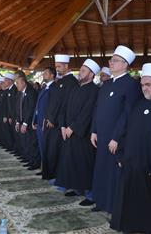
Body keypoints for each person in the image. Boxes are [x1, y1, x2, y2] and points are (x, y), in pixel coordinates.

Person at [110, 63, 151, 234]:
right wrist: (121, 156)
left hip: (150, 167)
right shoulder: (138, 104)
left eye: (148, 85)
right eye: (142, 84)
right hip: (130, 164)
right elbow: (127, 132)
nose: (144, 88)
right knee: (129, 200)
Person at [90, 45, 143, 213]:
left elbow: (128, 114)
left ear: (125, 64)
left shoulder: (131, 85)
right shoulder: (106, 84)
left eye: (115, 61)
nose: (111, 63)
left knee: (114, 173)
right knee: (101, 170)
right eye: (111, 60)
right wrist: (94, 130)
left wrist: (117, 138)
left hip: (115, 138)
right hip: (101, 135)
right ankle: (101, 201)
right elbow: (97, 109)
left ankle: (113, 205)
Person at [55, 59, 100, 206]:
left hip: (83, 135)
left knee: (84, 164)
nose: (80, 73)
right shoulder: (75, 88)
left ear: (92, 74)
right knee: (72, 163)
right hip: (67, 132)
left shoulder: (94, 90)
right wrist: (62, 126)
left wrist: (72, 128)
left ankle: (90, 194)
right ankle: (77, 188)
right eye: (80, 70)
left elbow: (87, 113)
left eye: (83, 71)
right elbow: (63, 108)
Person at [42, 54, 78, 183]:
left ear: (67, 66)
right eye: (56, 66)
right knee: (50, 150)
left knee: (56, 151)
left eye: (59, 66)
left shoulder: (72, 82)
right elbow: (53, 102)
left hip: (58, 124)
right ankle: (51, 175)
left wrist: (54, 119)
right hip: (52, 121)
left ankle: (57, 176)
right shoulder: (60, 81)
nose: (57, 69)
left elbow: (64, 104)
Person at [32, 67, 57, 175]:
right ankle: (44, 169)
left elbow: (53, 107)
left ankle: (49, 171)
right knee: (42, 146)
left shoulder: (54, 88)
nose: (43, 74)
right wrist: (34, 119)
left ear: (52, 75)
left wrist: (47, 119)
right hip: (39, 121)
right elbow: (37, 106)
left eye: (46, 73)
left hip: (46, 122)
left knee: (47, 147)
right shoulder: (44, 87)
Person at [15, 75, 40, 170]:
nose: (16, 85)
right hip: (22, 121)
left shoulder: (31, 92)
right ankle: (29, 159)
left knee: (32, 143)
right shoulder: (20, 93)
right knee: (26, 142)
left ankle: (35, 162)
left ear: (23, 83)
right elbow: (18, 108)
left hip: (29, 123)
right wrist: (18, 121)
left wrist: (25, 123)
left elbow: (31, 109)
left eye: (17, 83)